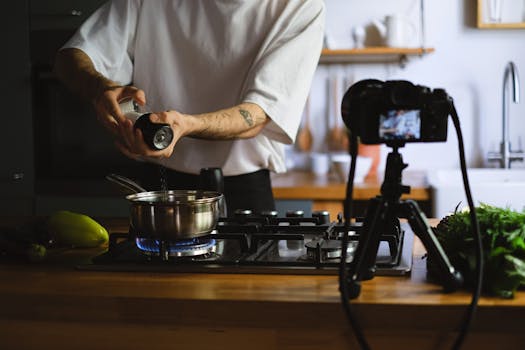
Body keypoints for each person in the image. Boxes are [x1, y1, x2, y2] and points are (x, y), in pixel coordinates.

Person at [53, 0, 325, 215]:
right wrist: (99, 88)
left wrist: (185, 126)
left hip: (241, 191)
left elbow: (256, 116)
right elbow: (72, 56)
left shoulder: (299, 6)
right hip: (157, 186)